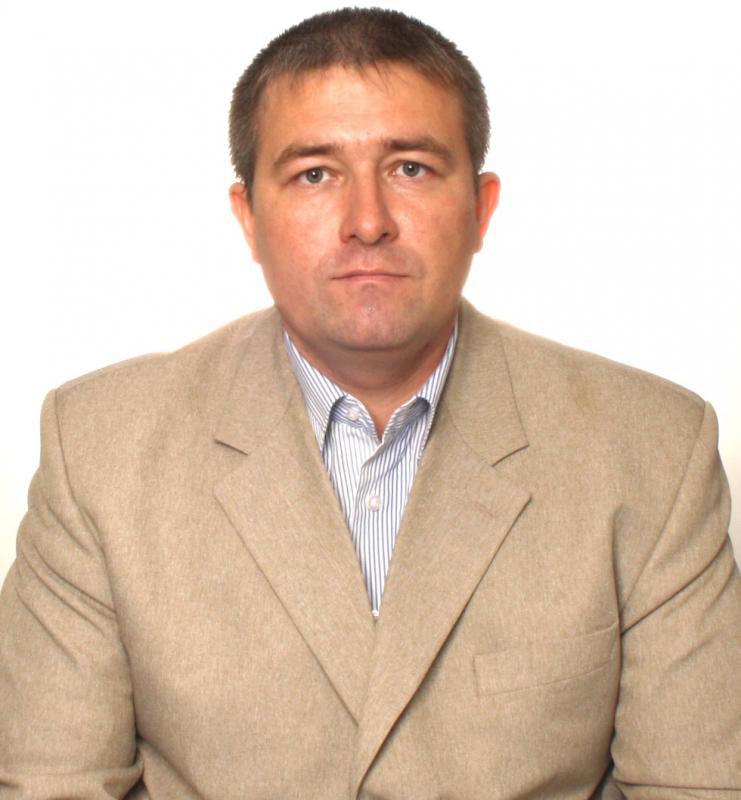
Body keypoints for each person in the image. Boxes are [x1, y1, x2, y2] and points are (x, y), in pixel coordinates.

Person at [0, 7, 739, 799]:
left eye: (410, 168)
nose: (367, 223)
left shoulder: (652, 450)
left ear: (481, 207)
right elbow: (51, 787)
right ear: (248, 216)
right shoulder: (100, 450)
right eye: (314, 174)